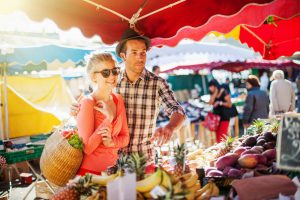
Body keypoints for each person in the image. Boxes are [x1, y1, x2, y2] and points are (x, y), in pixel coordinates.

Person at [72, 29, 185, 163]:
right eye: (134, 52)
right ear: (123, 56)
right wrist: (76, 112)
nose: (140, 57)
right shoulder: (110, 79)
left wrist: (170, 127)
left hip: (144, 159)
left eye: (143, 53)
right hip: (113, 160)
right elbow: (91, 106)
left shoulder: (157, 84)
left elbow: (177, 110)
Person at [76, 53, 129, 175]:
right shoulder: (88, 103)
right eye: (106, 72)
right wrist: (108, 119)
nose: (112, 76)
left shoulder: (118, 99)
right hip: (91, 175)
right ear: (94, 77)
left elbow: (125, 137)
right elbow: (87, 148)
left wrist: (112, 142)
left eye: (114, 71)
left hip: (114, 173)